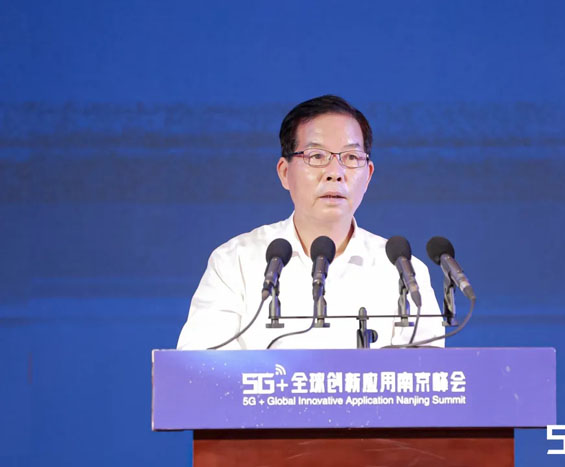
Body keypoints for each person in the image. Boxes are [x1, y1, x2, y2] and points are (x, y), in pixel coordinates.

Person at [177, 95, 444, 350]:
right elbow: (198, 368)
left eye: (351, 158)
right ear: (284, 172)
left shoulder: (404, 272)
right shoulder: (235, 261)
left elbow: (427, 374)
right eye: (316, 156)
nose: (335, 173)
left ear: (368, 175)